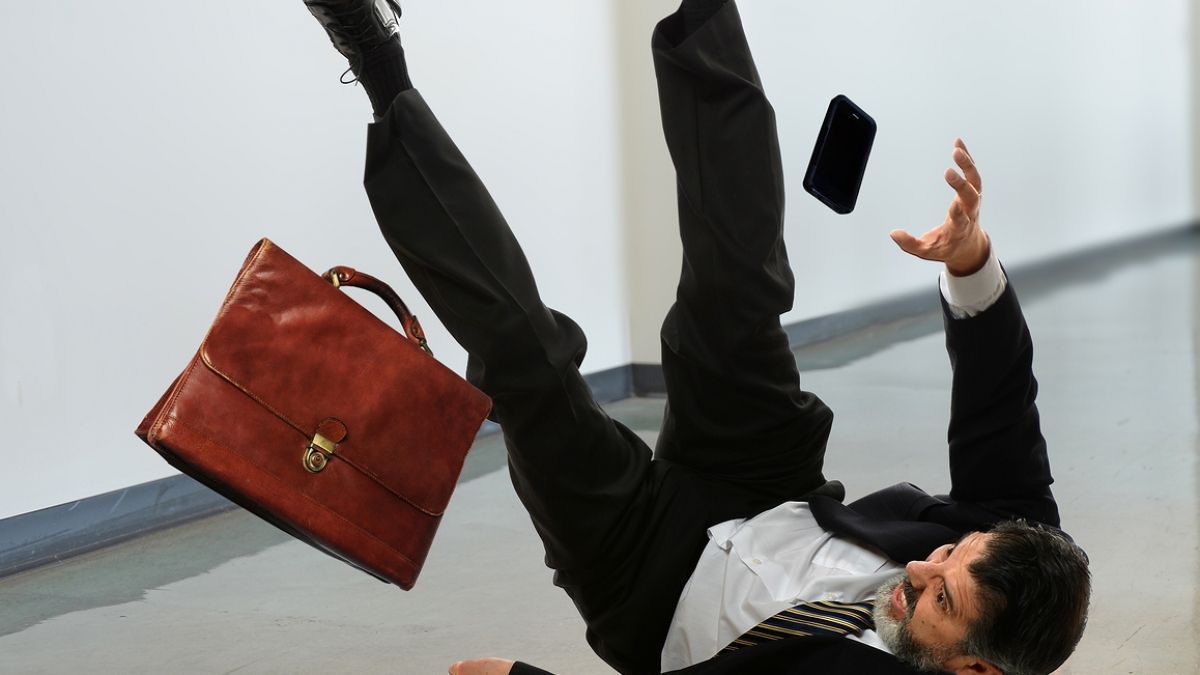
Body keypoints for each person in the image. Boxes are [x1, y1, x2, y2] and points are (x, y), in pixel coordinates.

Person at [301, 1, 1091, 674]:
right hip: (767, 479)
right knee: (740, 274)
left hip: (643, 579)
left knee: (525, 361)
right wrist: (970, 260)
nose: (921, 565)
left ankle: (378, 65)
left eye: (941, 596)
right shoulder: (1022, 551)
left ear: (976, 669)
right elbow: (1000, 401)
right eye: (948, 554)